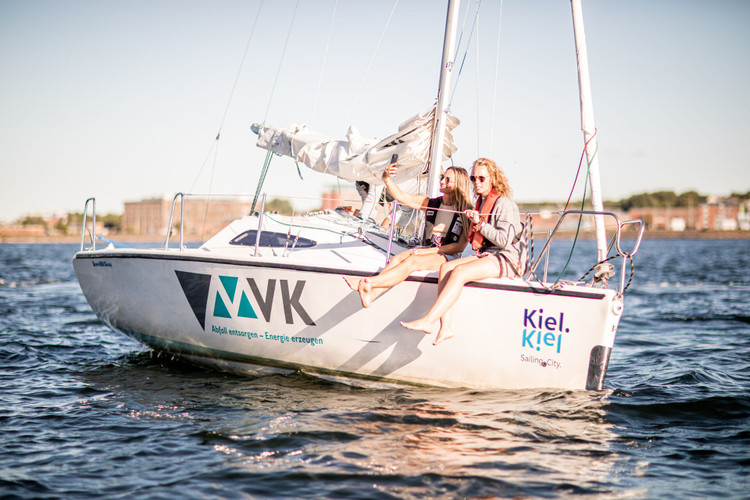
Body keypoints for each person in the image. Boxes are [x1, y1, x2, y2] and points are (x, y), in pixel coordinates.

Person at [401, 157, 525, 345]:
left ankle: (429, 320)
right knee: (446, 268)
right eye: (474, 178)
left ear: (494, 178)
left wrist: (479, 223)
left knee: (459, 272)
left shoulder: (504, 203)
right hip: (488, 255)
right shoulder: (482, 202)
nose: (477, 183)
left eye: (481, 178)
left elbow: (504, 241)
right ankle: (446, 327)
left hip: (507, 259)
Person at [343, 161, 473, 308]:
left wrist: (434, 250)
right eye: (443, 177)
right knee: (397, 258)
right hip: (428, 248)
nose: (442, 181)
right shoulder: (431, 203)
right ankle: (371, 295)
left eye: (448, 179)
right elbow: (403, 197)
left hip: (446, 255)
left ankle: (368, 283)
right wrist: (387, 179)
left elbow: (460, 246)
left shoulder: (465, 211)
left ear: (459, 184)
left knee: (412, 262)